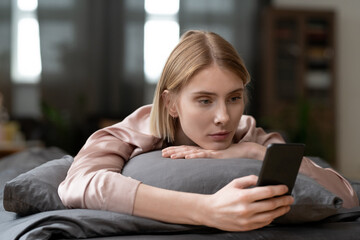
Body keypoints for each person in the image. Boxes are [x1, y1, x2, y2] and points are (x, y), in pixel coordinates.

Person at [58, 30, 358, 232]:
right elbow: (77, 186)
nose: (223, 118)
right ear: (171, 103)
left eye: (234, 98)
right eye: (204, 100)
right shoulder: (128, 135)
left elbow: (346, 197)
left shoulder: (248, 133)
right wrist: (206, 209)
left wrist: (252, 151)